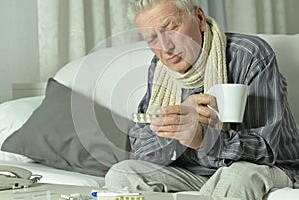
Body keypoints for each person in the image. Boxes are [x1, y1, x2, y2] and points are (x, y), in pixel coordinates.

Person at [105, 0, 299, 199]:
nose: (165, 47)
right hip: (193, 173)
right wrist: (178, 128)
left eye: (171, 28)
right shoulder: (159, 69)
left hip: (265, 168)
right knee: (122, 174)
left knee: (237, 175)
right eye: (152, 38)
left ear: (199, 18)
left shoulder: (249, 54)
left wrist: (204, 138)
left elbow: (266, 149)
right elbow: (142, 149)